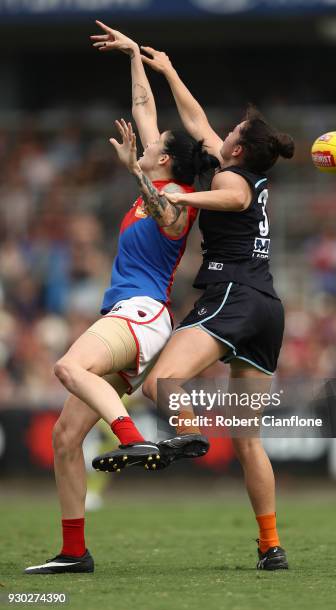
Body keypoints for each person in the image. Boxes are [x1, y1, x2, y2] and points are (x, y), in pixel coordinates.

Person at [24, 23, 217, 575]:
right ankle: (74, 552)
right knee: (65, 437)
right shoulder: (154, 179)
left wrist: (139, 176)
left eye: (154, 147)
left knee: (66, 365)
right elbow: (142, 107)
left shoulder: (178, 195)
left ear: (165, 163)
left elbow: (167, 213)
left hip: (141, 315)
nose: (146, 141)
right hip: (128, 317)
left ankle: (131, 437)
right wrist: (133, 55)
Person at [140, 47, 295, 571]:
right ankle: (270, 546)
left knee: (161, 383)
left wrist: (182, 200)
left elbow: (232, 201)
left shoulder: (233, 179)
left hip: (233, 297)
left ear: (240, 147)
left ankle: (185, 432)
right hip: (267, 307)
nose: (222, 131)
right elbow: (195, 118)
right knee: (248, 440)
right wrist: (166, 68)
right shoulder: (239, 165)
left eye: (233, 130)